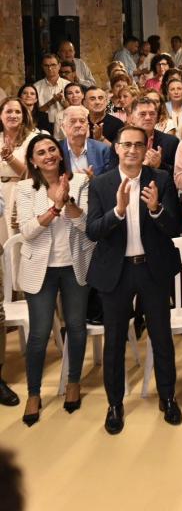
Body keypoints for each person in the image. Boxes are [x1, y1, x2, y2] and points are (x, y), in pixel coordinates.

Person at [86, 124, 182, 434]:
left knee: (161, 336)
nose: (131, 150)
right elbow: (92, 231)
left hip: (152, 269)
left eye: (138, 145)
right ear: (116, 148)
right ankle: (115, 404)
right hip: (116, 272)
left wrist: (155, 209)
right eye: (126, 144)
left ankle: (168, 397)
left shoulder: (161, 179)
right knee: (114, 341)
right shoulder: (101, 184)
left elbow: (175, 226)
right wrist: (117, 211)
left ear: (146, 148)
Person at [16, 134, 93, 426]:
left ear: (60, 155)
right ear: (33, 161)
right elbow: (27, 231)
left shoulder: (80, 182)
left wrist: (67, 200)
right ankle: (34, 393)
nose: (48, 155)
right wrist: (54, 208)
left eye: (52, 150)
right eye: (41, 152)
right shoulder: (25, 188)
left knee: (76, 327)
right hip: (40, 269)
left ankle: (73, 382)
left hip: (74, 266)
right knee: (39, 334)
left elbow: (86, 225)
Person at [0, 97, 39, 243]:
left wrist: (10, 158)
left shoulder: (33, 139)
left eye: (17, 112)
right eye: (8, 111)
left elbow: (32, 174)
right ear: (1, 115)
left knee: (16, 243)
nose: (13, 115)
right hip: (0, 195)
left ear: (24, 116)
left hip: (21, 193)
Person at [59, 105, 115, 178]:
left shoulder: (102, 150)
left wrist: (94, 180)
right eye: (72, 121)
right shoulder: (57, 149)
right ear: (63, 126)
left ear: (88, 126)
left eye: (82, 121)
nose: (78, 125)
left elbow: (110, 180)